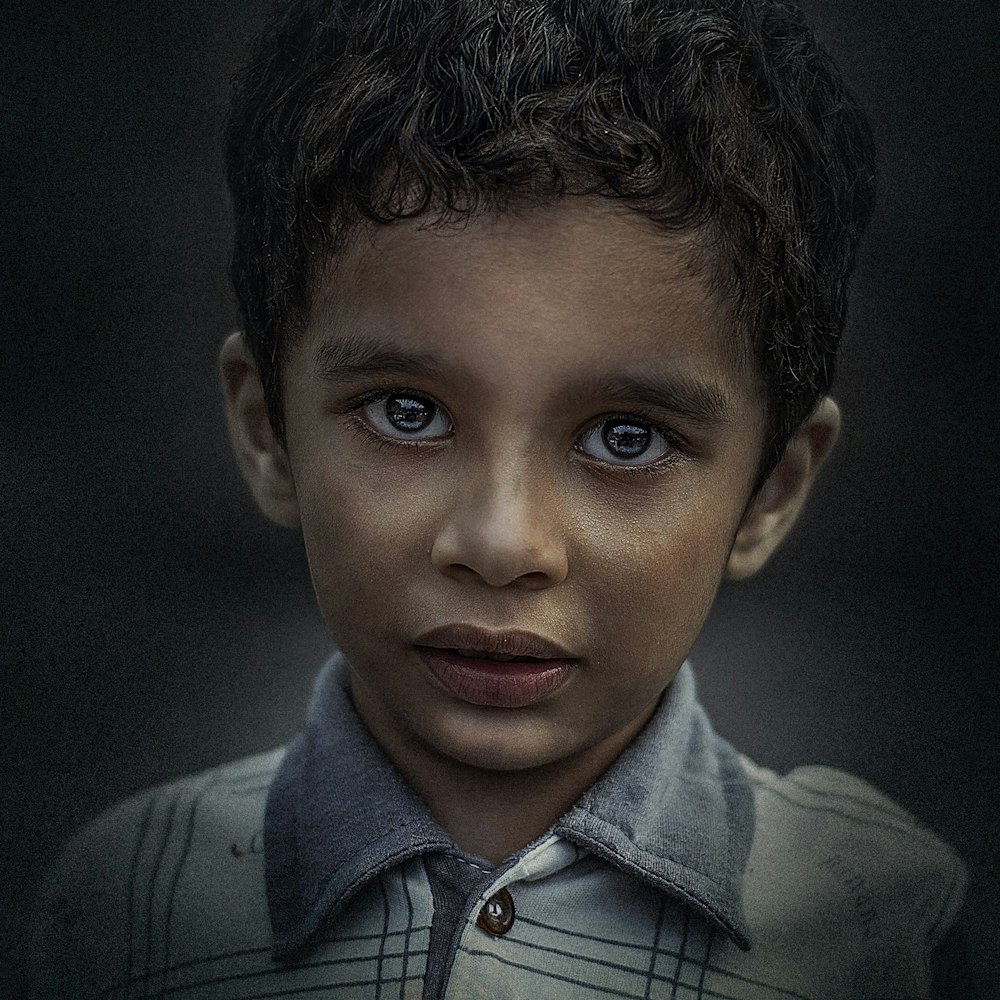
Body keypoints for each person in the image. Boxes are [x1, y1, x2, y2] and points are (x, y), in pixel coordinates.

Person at [31, 0, 967, 996]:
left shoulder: (877, 918)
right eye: (405, 412)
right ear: (267, 434)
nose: (500, 539)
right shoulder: (131, 901)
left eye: (627, 436)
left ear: (770, 492)